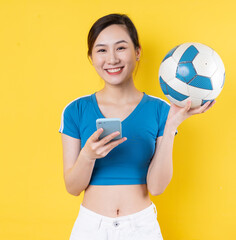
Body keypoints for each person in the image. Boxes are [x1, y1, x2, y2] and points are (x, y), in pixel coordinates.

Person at [59, 13, 215, 240]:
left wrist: (171, 127)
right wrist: (88, 156)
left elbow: (157, 187)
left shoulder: (162, 110)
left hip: (142, 228)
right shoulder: (75, 110)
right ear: (91, 57)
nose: (111, 59)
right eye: (101, 50)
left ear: (138, 51)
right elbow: (72, 188)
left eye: (121, 48)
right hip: (90, 228)